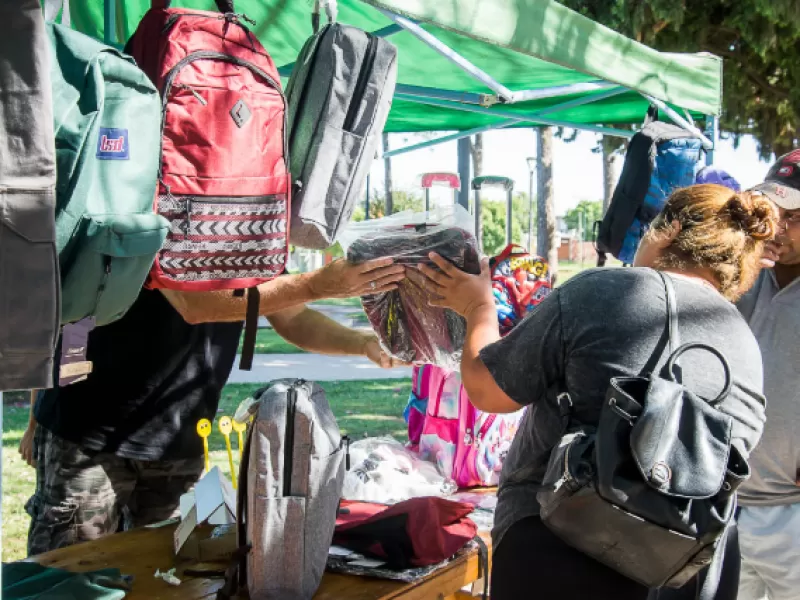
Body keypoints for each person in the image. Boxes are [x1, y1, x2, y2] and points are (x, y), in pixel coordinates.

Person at [417, 184, 774, 600]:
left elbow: (487, 389)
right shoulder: (746, 346)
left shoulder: (602, 290)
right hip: (683, 571)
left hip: (559, 551)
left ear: (669, 229)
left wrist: (479, 308)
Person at [22, 257, 405, 556]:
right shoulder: (160, 192)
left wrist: (363, 344)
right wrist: (318, 284)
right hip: (86, 432)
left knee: (162, 579)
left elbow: (292, 316)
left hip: (181, 444)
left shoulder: (254, 228)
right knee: (66, 575)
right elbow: (193, 303)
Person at [735, 153, 800, 600]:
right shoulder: (743, 274)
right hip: (725, 506)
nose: (776, 228)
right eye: (772, 213)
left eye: (792, 217)